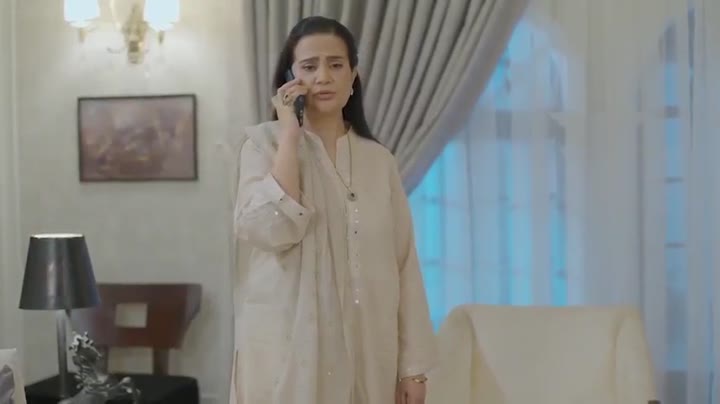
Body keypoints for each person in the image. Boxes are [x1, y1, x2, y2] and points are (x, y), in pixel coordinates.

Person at [230, 16, 436, 404]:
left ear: (353, 75)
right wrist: (290, 134)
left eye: (336, 64)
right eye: (309, 66)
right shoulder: (262, 146)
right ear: (289, 78)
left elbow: (404, 263)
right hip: (288, 349)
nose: (323, 77)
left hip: (370, 348)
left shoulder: (379, 161)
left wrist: (413, 367)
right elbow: (270, 230)